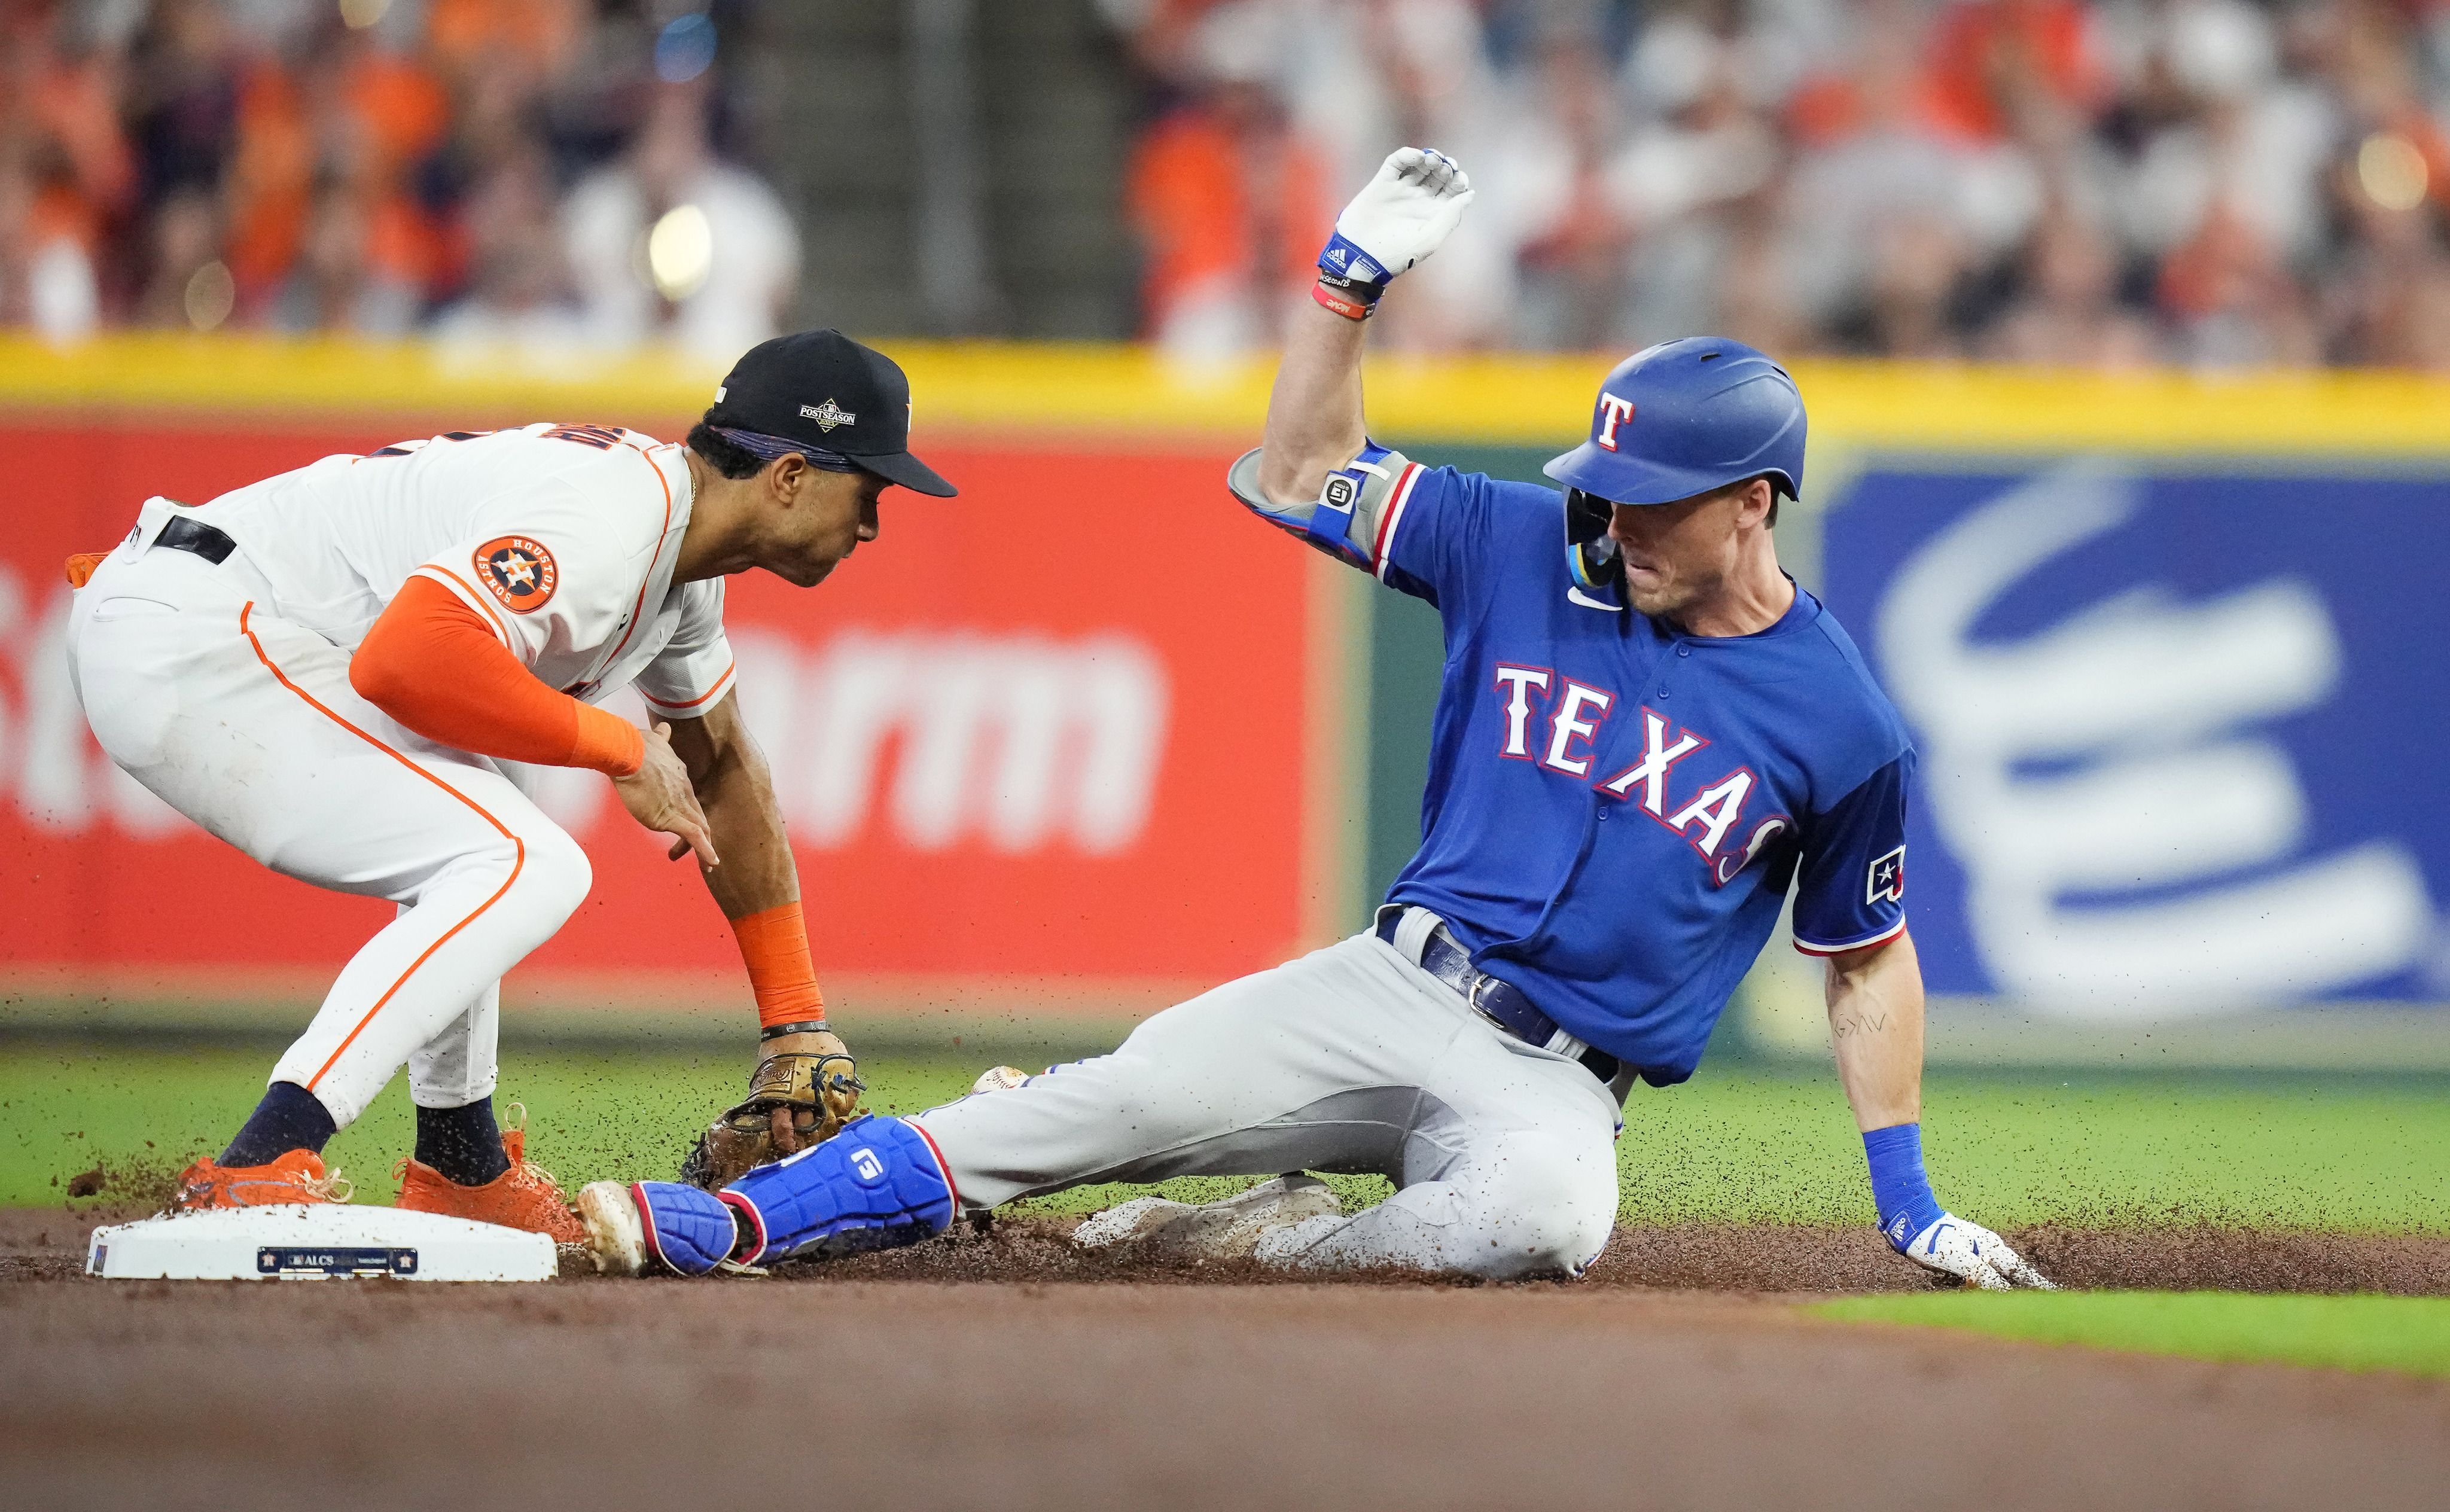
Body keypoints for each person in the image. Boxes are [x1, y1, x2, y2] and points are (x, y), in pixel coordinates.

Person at [577, 151, 2051, 1290]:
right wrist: (1344, 286)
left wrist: (1907, 1193)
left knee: (1541, 1220)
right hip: (1385, 986)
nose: (1608, 514)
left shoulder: (1839, 720)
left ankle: (1240, 1244)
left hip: (1557, 1086)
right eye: (1598, 483)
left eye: (1647, 497)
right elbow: (1291, 473)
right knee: (1075, 1114)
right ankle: (724, 1222)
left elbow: (1864, 964)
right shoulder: (1519, 538)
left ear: (1753, 502)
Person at [65, 330, 956, 1240]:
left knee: (484, 840)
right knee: (525, 860)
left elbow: (719, 762)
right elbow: (407, 660)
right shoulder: (610, 521)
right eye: (871, 487)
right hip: (198, 630)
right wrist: (615, 745)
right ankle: (261, 1160)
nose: (876, 523)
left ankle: (462, 1164)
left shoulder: (683, 576)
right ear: (792, 475)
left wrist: (793, 1019)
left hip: (242, 627)